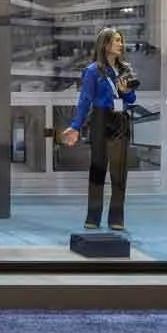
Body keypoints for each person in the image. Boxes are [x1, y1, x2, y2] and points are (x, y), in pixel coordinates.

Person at [61, 27, 138, 232]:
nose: (120, 44)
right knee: (98, 169)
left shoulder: (125, 70)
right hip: (100, 119)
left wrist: (125, 91)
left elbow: (132, 98)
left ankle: (116, 218)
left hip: (120, 120)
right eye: (116, 40)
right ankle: (93, 217)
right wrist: (75, 126)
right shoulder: (93, 71)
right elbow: (85, 99)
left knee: (119, 172)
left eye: (121, 40)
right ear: (105, 44)